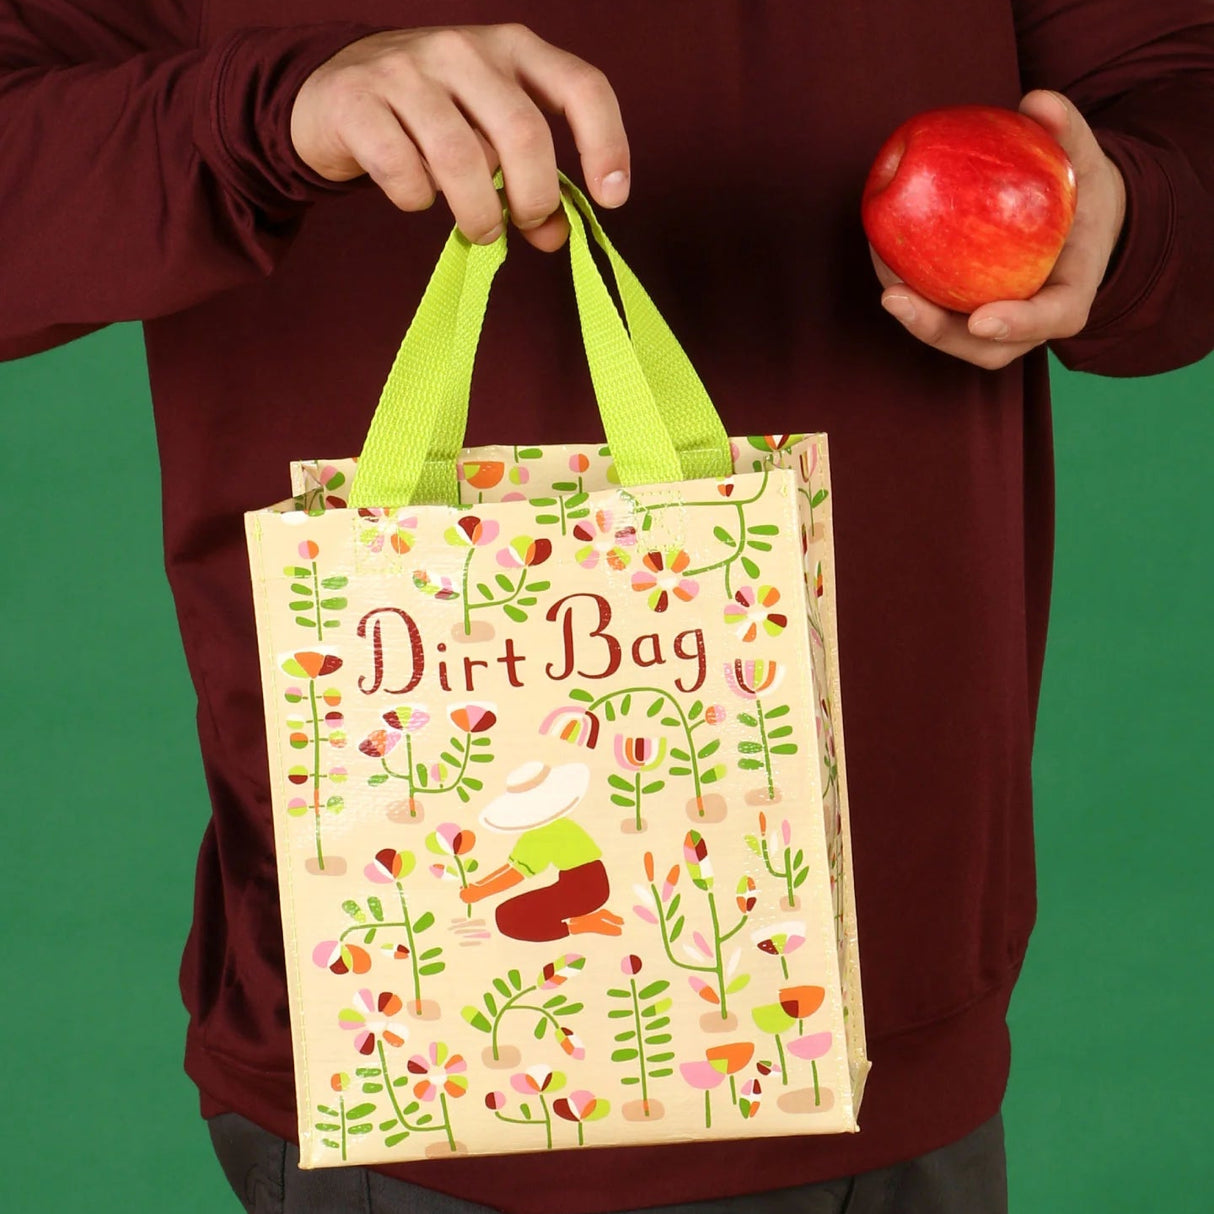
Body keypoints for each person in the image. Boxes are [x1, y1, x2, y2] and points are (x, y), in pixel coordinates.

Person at [1, 3, 1211, 1213]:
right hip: (399, 1050)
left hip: (881, 1018)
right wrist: (268, 112)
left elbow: (1175, 83)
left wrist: (1125, 209)